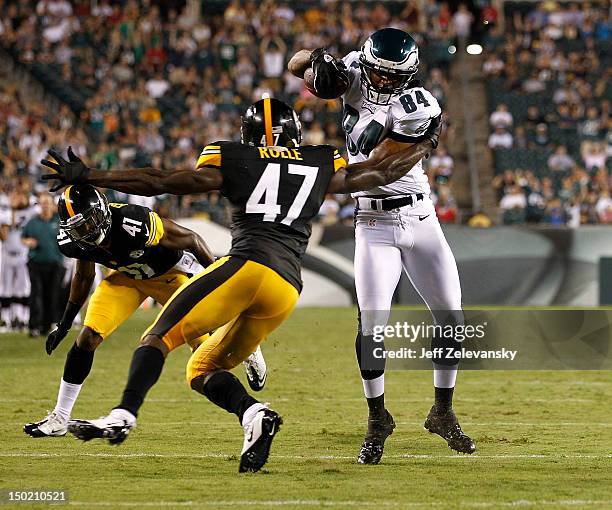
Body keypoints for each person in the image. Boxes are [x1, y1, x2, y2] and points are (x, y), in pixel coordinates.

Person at [41, 97, 441, 472]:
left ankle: (123, 413)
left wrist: (91, 174)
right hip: (285, 289)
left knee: (156, 339)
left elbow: (160, 180)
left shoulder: (232, 156)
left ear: (246, 136)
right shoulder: (321, 160)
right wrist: (426, 142)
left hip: (247, 266)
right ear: (296, 135)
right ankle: (254, 416)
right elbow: (380, 172)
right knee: (201, 367)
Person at [288, 27, 475, 464]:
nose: (383, 83)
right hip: (372, 222)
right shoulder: (354, 70)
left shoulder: (419, 105)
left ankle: (442, 411)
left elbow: (380, 166)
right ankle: (378, 419)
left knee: (452, 318)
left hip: (419, 215)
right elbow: (296, 66)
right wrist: (317, 60)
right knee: (372, 325)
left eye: (393, 77)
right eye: (378, 73)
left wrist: (326, 177)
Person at [21, 192, 65, 336]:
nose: (45, 205)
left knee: (52, 295)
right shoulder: (33, 222)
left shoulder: (59, 221)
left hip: (55, 263)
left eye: (47, 202)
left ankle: (48, 325)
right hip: (36, 263)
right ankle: (34, 326)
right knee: (36, 294)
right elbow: (23, 238)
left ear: (52, 205)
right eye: (43, 203)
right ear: (39, 205)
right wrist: (28, 242)